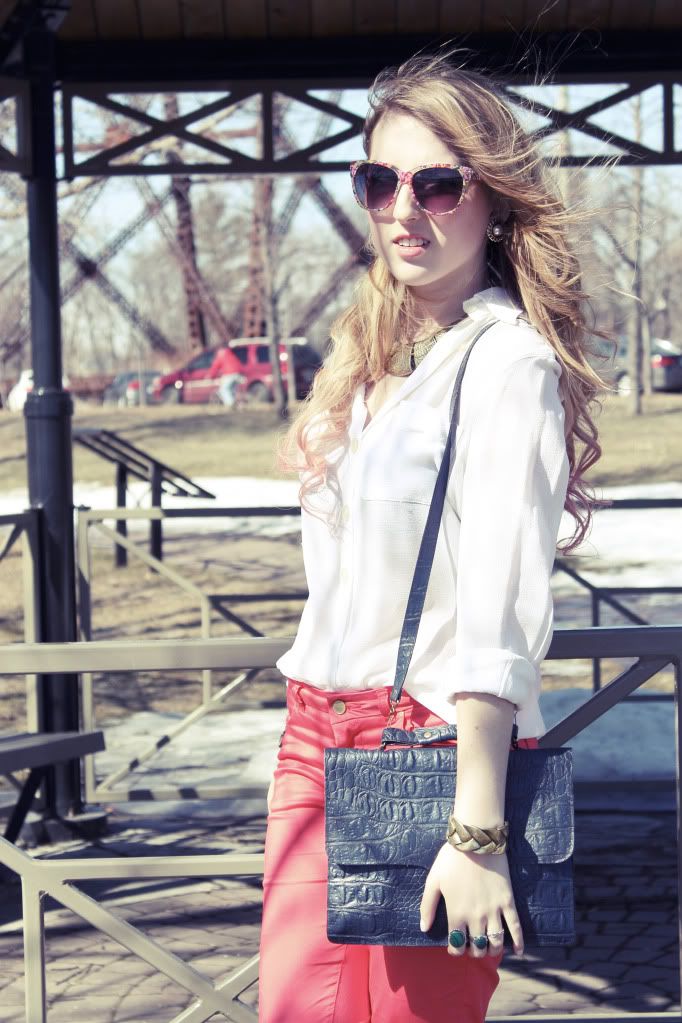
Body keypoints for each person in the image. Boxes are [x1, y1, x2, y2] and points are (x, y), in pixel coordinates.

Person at [259, 50, 609, 1023]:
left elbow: (497, 612)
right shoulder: (376, 355)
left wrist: (478, 828)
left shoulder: (506, 365)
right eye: (379, 182)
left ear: (492, 200)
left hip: (431, 750)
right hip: (312, 735)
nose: (403, 209)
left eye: (437, 184)